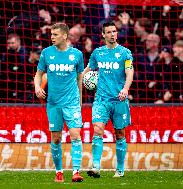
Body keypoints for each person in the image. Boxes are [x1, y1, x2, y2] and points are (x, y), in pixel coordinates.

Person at [34, 23, 84, 182]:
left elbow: (79, 79)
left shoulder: (77, 55)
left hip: (72, 103)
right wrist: (37, 86)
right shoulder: (46, 53)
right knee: (56, 138)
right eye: (51, 34)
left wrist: (80, 102)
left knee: (75, 135)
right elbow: (38, 74)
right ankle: (59, 172)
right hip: (53, 103)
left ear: (64, 36)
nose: (52, 37)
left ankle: (76, 172)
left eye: (55, 34)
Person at [83, 21, 134, 178]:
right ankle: (96, 167)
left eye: (114, 31)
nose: (113, 34)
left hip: (119, 100)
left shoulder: (125, 53)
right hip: (101, 100)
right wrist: (80, 78)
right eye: (109, 32)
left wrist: (125, 89)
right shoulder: (97, 53)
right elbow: (88, 70)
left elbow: (129, 72)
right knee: (98, 129)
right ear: (103, 35)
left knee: (120, 134)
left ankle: (119, 169)